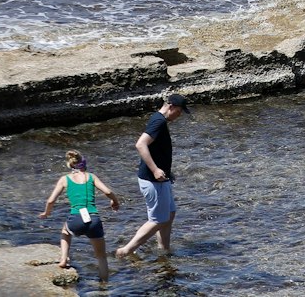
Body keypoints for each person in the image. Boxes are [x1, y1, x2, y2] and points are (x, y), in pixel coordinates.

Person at [117, 93, 191, 259]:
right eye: (178, 112)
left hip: (161, 178)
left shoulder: (160, 120)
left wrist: (165, 170)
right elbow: (140, 144)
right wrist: (156, 169)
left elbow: (156, 149)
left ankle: (163, 249)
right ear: (170, 106)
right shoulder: (158, 121)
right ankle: (125, 251)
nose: (179, 116)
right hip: (153, 180)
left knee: (170, 214)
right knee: (158, 220)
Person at [38, 150, 121, 282]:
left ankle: (64, 258)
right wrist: (115, 201)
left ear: (69, 165)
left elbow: (51, 200)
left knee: (65, 231)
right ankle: (104, 286)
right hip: (93, 219)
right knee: (101, 257)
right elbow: (108, 191)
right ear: (83, 163)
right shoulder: (91, 177)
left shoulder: (64, 179)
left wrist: (46, 213)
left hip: (76, 219)